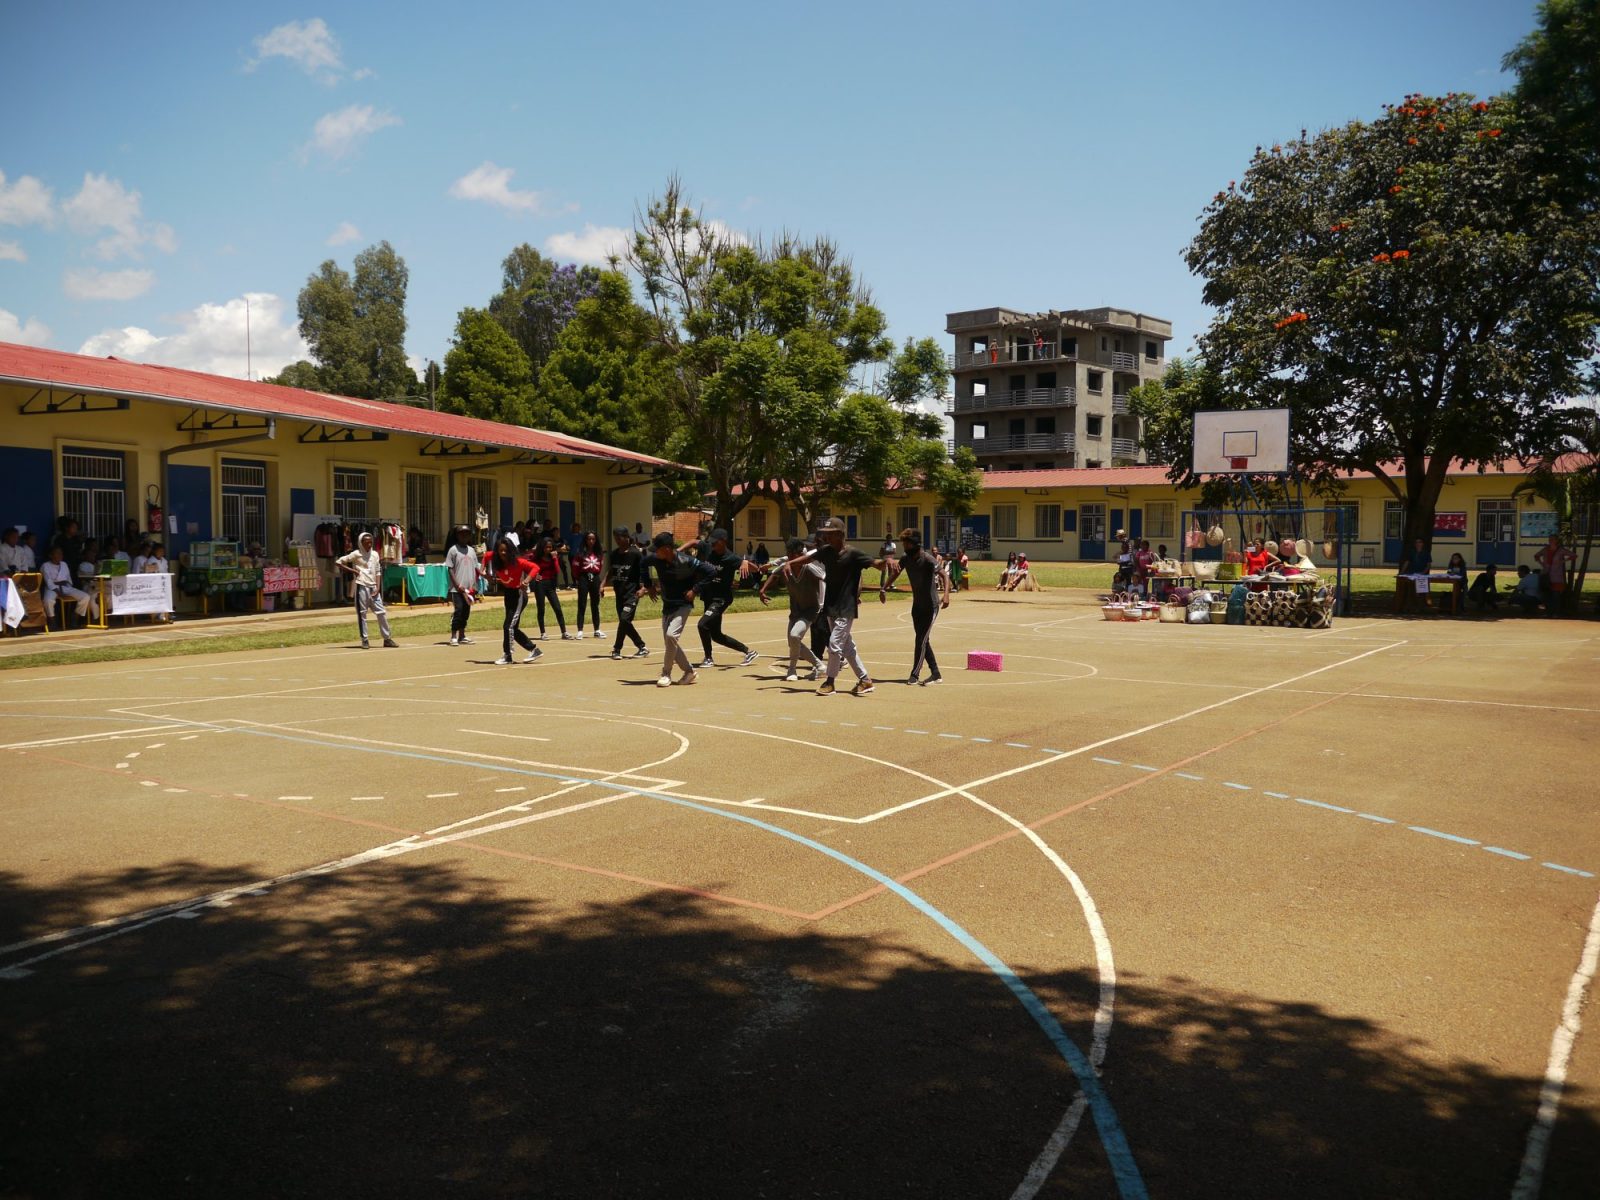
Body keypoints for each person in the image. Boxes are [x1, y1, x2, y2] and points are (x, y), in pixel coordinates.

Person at [785, 517, 889, 696]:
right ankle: (865, 680)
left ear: (840, 535)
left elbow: (877, 565)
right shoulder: (826, 551)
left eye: (830, 534)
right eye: (825, 534)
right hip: (831, 607)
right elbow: (807, 558)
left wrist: (887, 560)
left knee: (834, 645)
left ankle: (830, 682)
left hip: (846, 608)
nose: (826, 538)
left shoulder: (854, 553)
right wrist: (790, 563)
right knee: (848, 647)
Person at [645, 531, 718, 687]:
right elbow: (642, 563)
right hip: (667, 605)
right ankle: (689, 672)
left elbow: (711, 572)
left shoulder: (686, 560)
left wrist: (695, 590)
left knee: (671, 636)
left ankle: (666, 673)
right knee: (670, 642)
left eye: (657, 550)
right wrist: (648, 585)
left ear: (666, 549)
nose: (655, 553)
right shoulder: (656, 559)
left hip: (683, 604)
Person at [883, 526, 950, 685]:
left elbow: (944, 575)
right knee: (923, 640)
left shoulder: (928, 559)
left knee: (920, 640)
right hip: (917, 607)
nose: (904, 547)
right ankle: (936, 673)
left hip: (931, 606)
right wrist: (883, 588)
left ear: (914, 543)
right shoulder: (906, 558)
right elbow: (896, 572)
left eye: (906, 544)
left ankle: (915, 673)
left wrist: (946, 594)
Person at [688, 528, 758, 668]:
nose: (712, 544)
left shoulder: (731, 558)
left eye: (715, 542)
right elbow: (694, 542)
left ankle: (708, 658)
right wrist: (678, 551)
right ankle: (749, 652)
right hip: (708, 596)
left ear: (723, 541)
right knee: (716, 635)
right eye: (712, 542)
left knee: (702, 625)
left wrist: (745, 562)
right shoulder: (709, 549)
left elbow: (755, 569)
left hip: (721, 599)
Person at [759, 537, 826, 682]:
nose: (789, 557)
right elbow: (774, 574)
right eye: (788, 554)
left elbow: (826, 578)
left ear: (800, 555)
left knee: (795, 636)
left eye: (792, 554)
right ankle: (819, 667)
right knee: (792, 642)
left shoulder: (810, 568)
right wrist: (762, 590)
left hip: (811, 610)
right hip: (795, 610)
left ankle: (793, 669)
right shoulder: (786, 567)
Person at [335, 532, 398, 649]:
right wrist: (353, 571)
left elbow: (378, 571)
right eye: (367, 543)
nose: (369, 545)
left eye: (371, 542)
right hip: (361, 586)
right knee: (362, 614)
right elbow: (338, 562)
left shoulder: (375, 554)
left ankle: (387, 639)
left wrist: (378, 587)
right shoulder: (356, 554)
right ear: (361, 543)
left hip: (373, 588)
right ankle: (365, 640)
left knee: (381, 612)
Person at [486, 536, 542, 664]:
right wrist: (485, 572)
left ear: (511, 550)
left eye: (506, 550)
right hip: (508, 594)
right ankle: (534, 650)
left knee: (508, 626)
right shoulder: (497, 561)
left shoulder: (518, 562)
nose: (503, 553)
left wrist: (526, 581)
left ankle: (507, 655)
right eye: (500, 550)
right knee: (513, 628)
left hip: (518, 595)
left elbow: (535, 568)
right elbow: (485, 556)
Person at [605, 525, 649, 660]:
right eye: (615, 538)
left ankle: (617, 649)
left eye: (619, 538)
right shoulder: (614, 554)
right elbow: (611, 571)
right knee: (624, 622)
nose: (617, 541)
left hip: (632, 593)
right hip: (619, 592)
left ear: (626, 537)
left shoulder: (635, 554)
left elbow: (644, 571)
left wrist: (643, 588)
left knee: (624, 619)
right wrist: (602, 584)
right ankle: (642, 647)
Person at [444, 525, 482, 646]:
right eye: (461, 534)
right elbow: (450, 569)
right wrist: (457, 585)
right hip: (457, 589)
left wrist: (475, 585)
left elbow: (475, 568)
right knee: (458, 611)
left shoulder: (471, 550)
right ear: (457, 536)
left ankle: (462, 635)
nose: (464, 536)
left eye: (467, 534)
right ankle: (453, 636)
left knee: (466, 612)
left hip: (469, 588)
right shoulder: (453, 550)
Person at [530, 537, 573, 639]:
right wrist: (535, 576)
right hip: (540, 584)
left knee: (557, 608)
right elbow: (530, 567)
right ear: (542, 547)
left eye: (550, 547)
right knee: (541, 608)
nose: (548, 549)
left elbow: (557, 570)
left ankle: (564, 632)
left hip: (550, 585)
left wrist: (554, 558)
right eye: (546, 547)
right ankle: (543, 633)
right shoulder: (537, 558)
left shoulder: (554, 557)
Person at [41, 545, 96, 623]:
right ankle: (52, 620)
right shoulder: (45, 565)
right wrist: (57, 590)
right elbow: (48, 580)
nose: (60, 555)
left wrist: (68, 588)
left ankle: (75, 617)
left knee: (85, 597)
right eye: (57, 553)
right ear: (50, 555)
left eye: (61, 553)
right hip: (51, 588)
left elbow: (68, 578)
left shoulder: (64, 564)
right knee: (48, 600)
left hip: (65, 587)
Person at [573, 530, 605, 639]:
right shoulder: (580, 553)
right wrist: (579, 578)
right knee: (582, 604)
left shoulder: (599, 553)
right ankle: (580, 630)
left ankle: (597, 630)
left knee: (595, 604)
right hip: (583, 578)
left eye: (593, 539)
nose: (591, 541)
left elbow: (600, 567)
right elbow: (575, 568)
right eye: (589, 539)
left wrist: (596, 578)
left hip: (595, 578)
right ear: (585, 540)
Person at [1535, 535, 1576, 617]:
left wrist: (1563, 561)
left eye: (1552, 539)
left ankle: (1556, 613)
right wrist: (1542, 564)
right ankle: (1548, 612)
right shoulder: (1545, 549)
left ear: (1556, 541)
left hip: (1557, 576)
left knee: (1556, 595)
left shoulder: (1561, 550)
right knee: (1546, 595)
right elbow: (1536, 556)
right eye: (1549, 539)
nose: (1550, 540)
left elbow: (1574, 555)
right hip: (1546, 575)